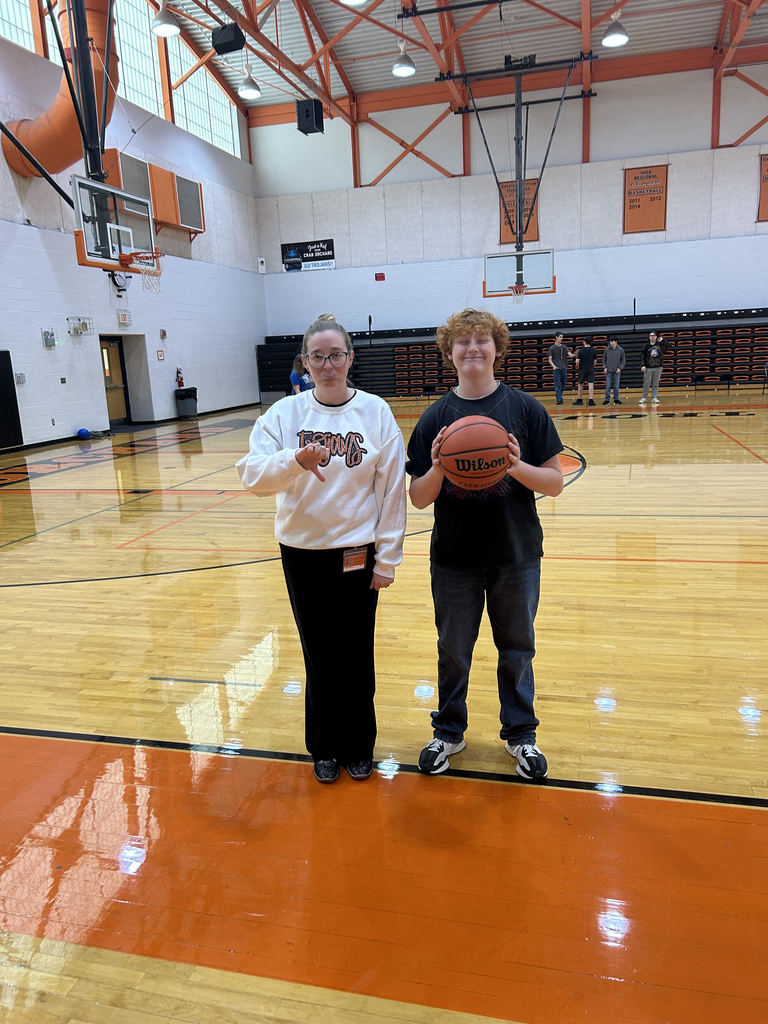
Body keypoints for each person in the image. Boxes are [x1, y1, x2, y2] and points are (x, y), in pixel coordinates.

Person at [237, 313, 407, 784]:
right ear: (306, 362)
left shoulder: (375, 412)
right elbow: (251, 475)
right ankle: (325, 747)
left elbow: (391, 490)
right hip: (302, 552)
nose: (328, 364)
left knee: (356, 653)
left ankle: (360, 746)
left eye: (336, 355)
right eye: (318, 356)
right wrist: (294, 460)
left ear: (350, 358)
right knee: (319, 653)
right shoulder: (284, 416)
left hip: (357, 552)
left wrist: (387, 558)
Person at [407, 309, 564, 780]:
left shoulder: (526, 409)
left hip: (516, 554)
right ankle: (449, 732)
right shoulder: (435, 417)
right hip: (454, 557)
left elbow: (554, 482)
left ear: (497, 348)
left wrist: (513, 465)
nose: (472, 349)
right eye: (463, 342)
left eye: (481, 341)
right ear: (449, 352)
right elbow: (417, 497)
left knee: (517, 648)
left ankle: (521, 737)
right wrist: (437, 467)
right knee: (453, 648)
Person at [639, 330, 671, 406]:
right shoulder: (646, 346)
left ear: (656, 337)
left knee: (655, 383)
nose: (652, 337)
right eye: (651, 336)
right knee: (646, 383)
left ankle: (654, 397)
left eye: (654, 336)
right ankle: (644, 397)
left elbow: (669, 346)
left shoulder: (660, 345)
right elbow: (642, 356)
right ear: (649, 337)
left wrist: (663, 340)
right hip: (648, 367)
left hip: (658, 367)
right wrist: (642, 365)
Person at [547, 331, 574, 405]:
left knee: (564, 383)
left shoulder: (564, 347)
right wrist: (554, 367)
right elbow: (550, 359)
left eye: (562, 337)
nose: (561, 338)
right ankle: (559, 399)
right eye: (560, 337)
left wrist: (575, 354)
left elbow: (570, 355)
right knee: (557, 384)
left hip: (564, 367)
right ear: (556, 337)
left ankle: (558, 394)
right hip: (556, 369)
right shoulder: (552, 348)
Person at [602, 336, 626, 405]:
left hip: (617, 371)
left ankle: (616, 399)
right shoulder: (607, 350)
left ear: (616, 342)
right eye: (610, 341)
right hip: (608, 371)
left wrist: (620, 368)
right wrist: (605, 367)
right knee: (608, 385)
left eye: (612, 341)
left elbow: (623, 360)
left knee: (616, 385)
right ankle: (607, 399)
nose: (611, 343)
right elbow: (604, 360)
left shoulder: (620, 350)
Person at [573, 337, 596, 406]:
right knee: (591, 384)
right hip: (591, 368)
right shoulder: (593, 350)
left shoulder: (581, 351)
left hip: (582, 369)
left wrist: (577, 364)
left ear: (584, 342)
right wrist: (591, 366)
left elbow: (577, 361)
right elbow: (595, 361)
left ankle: (580, 400)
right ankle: (591, 400)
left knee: (580, 384)